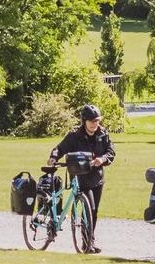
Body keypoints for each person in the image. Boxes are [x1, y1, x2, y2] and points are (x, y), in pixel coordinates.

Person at [48, 104, 115, 254]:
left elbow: (110, 152)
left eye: (97, 121)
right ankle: (87, 243)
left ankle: (88, 242)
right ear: (84, 121)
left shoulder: (103, 134)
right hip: (80, 177)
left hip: (97, 178)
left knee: (94, 211)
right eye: (92, 121)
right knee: (89, 208)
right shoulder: (74, 136)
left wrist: (102, 159)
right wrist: (53, 157)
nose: (95, 124)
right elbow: (60, 148)